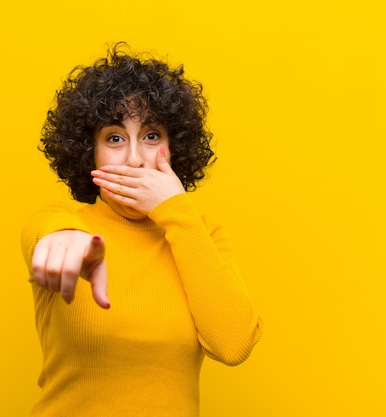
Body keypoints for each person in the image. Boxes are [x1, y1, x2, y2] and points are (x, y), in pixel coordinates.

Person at [20, 43, 263, 417]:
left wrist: (176, 210)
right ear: (91, 152)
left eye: (151, 136)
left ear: (174, 147)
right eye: (114, 138)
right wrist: (65, 241)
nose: (134, 158)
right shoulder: (62, 222)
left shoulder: (202, 235)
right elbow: (49, 233)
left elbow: (232, 346)